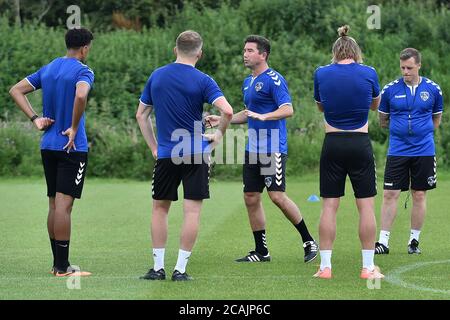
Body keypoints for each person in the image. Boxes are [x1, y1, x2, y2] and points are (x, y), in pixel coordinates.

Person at [207, 35, 318, 264]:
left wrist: (265, 115)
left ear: (263, 55)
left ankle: (309, 241)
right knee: (250, 196)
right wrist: (221, 120)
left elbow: (288, 109)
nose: (245, 54)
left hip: (273, 147)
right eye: (244, 50)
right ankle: (261, 251)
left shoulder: (274, 79)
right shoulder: (248, 82)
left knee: (277, 196)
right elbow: (248, 113)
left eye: (249, 50)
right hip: (252, 149)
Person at [137, 30, 233, 281]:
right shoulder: (203, 80)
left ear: (174, 49)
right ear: (199, 53)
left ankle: (157, 268)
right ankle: (180, 270)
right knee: (192, 213)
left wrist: (154, 147)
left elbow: (141, 115)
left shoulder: (157, 76)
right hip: (196, 153)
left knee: (160, 209)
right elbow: (228, 111)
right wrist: (218, 135)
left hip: (168, 153)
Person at [9, 28, 94, 277]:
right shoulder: (83, 71)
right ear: (85, 48)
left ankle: (57, 263)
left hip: (48, 145)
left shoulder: (49, 68)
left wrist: (35, 118)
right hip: (72, 146)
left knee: (53, 205)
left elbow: (16, 90)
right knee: (64, 207)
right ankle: (62, 267)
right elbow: (81, 94)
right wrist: (74, 127)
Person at [312, 25, 384, 279]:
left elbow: (321, 107)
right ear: (356, 51)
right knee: (365, 206)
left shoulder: (321, 73)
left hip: (332, 144)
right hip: (359, 143)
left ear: (335, 51)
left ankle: (325, 267)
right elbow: (375, 105)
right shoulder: (369, 72)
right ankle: (367, 268)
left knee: (329, 206)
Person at [375, 48, 443, 255]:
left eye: (409, 68)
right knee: (390, 193)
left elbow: (436, 120)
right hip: (398, 149)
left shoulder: (433, 89)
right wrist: (402, 131)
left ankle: (414, 241)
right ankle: (383, 242)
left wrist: (421, 133)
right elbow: (383, 121)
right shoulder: (389, 90)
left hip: (424, 150)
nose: (405, 71)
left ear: (419, 66)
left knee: (419, 194)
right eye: (402, 67)